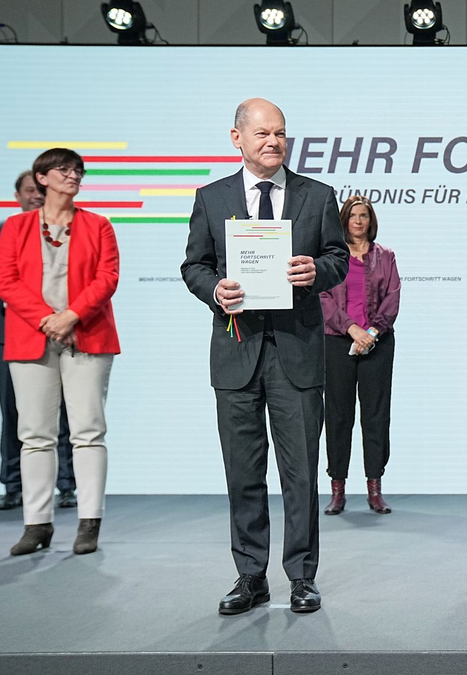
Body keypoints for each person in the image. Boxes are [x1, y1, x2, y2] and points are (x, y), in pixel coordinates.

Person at [181, 98, 347, 615]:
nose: (272, 142)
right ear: (237, 139)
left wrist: (315, 272)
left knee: (300, 472)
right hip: (236, 352)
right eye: (261, 134)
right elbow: (194, 265)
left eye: (280, 133)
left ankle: (302, 576)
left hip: (297, 351)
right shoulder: (211, 198)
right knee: (243, 471)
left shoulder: (317, 196)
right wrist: (215, 291)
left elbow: (339, 258)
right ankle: (250, 575)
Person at [0, 148, 120, 556]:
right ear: (42, 178)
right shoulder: (15, 227)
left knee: (87, 431)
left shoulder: (98, 225)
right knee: (34, 436)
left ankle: (89, 522)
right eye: (64, 170)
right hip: (33, 336)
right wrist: (49, 319)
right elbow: (6, 282)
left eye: (78, 170)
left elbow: (107, 278)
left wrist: (72, 315)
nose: (74, 176)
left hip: (87, 335)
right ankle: (37, 524)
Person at [0, 171, 77, 512]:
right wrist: (15, 303)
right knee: (14, 412)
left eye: (40, 190)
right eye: (29, 190)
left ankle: (66, 486)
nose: (36, 195)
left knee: (61, 413)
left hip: (60, 331)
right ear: (17, 195)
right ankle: (13, 486)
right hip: (8, 333)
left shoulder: (67, 230)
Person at [320, 195, 401, 516]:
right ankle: (337, 489)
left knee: (376, 416)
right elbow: (323, 297)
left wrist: (372, 333)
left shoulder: (386, 256)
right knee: (338, 417)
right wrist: (352, 329)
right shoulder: (331, 257)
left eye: (364, 215)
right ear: (343, 219)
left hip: (378, 344)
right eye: (352, 215)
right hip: (338, 343)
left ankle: (375, 489)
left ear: (371, 220)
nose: (358, 221)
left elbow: (392, 298)